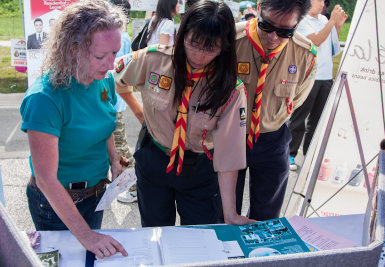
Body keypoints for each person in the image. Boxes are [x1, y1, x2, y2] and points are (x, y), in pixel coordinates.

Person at [114, 0, 254, 227]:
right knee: (155, 233)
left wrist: (230, 213)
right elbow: (117, 81)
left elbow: (229, 155)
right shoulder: (154, 60)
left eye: (210, 49)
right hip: (155, 160)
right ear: (183, 34)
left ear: (224, 47)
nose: (199, 55)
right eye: (193, 43)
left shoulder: (231, 89)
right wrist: (140, 115)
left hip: (198, 168)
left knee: (199, 237)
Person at [20, 0, 128, 259]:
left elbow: (105, 125)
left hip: (96, 194)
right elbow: (46, 180)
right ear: (72, 50)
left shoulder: (104, 80)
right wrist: (87, 236)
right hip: (56, 203)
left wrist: (114, 160)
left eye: (115, 53)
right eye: (101, 56)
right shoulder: (45, 99)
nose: (111, 64)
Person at [235, 0, 318, 221]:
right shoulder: (229, 40)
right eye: (266, 25)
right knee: (223, 212)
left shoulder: (305, 55)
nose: (273, 37)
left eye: (284, 31)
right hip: (228, 137)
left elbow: (297, 99)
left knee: (267, 215)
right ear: (259, 7)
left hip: (272, 139)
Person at [288, 0, 347, 171]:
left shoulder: (323, 20)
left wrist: (337, 27)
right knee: (299, 118)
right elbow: (314, 43)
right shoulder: (301, 20)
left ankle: (309, 154)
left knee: (317, 120)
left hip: (326, 76)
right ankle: (290, 154)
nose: (322, 3)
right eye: (319, 0)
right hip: (308, 76)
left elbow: (334, 49)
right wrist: (331, 22)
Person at [108, 0, 138, 204]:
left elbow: (117, 70)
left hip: (114, 101)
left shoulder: (121, 37)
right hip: (113, 99)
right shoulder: (122, 36)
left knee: (121, 147)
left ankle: (136, 187)